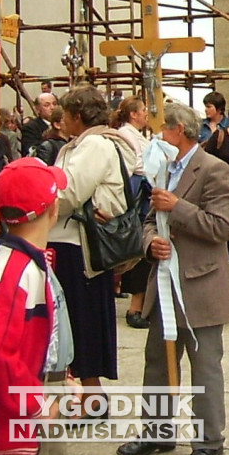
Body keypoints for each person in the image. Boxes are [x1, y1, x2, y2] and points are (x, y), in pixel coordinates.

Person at [116, 103, 229, 455]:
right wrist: (150, 241)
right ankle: (157, 432)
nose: (157, 137)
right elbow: (150, 219)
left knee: (205, 368)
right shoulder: (163, 168)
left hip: (201, 282)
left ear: (180, 131)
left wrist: (178, 207)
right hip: (165, 284)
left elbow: (222, 227)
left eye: (162, 131)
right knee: (158, 362)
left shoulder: (214, 170)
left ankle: (209, 442)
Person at [50, 86, 138, 410]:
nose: (62, 121)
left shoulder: (95, 145)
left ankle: (92, 398)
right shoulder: (77, 146)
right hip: (69, 241)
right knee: (73, 320)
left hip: (82, 247)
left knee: (82, 320)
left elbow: (69, 192)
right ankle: (85, 394)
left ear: (77, 116)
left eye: (66, 114)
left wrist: (37, 202)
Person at [0, 158, 74, 455]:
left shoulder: (31, 265)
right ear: (52, 209)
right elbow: (1, 353)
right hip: (19, 418)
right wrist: (36, 403)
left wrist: (63, 375)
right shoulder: (17, 272)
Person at [111, 96, 153, 329]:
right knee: (140, 251)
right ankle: (135, 307)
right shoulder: (126, 135)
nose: (146, 113)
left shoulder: (138, 135)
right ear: (133, 114)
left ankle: (145, 304)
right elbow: (133, 164)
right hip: (137, 200)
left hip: (144, 197)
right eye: (143, 110)